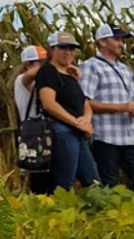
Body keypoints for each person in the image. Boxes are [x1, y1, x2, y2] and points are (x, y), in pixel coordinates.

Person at [79, 23, 134, 189]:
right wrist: (122, 107)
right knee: (108, 183)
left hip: (129, 136)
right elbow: (85, 102)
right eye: (117, 39)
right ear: (102, 42)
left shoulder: (125, 69)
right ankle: (109, 214)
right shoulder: (90, 66)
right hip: (105, 135)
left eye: (122, 40)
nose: (121, 44)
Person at [36, 32, 100, 192]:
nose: (68, 52)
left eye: (71, 49)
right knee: (65, 182)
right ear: (52, 50)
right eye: (63, 48)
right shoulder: (47, 72)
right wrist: (76, 122)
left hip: (77, 132)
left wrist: (86, 119)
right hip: (61, 131)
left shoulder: (71, 75)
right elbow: (49, 104)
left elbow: (84, 103)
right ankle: (59, 214)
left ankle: (99, 211)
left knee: (94, 182)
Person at [12, 45, 53, 194]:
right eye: (41, 63)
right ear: (28, 64)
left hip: (43, 134)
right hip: (35, 135)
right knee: (40, 179)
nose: (45, 66)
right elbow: (31, 75)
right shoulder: (21, 80)